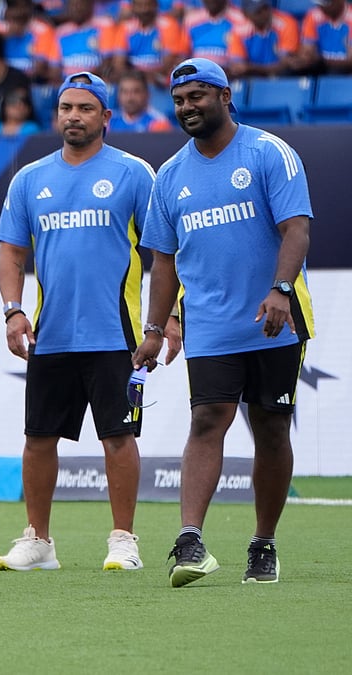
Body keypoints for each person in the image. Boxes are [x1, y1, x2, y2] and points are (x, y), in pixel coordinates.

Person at [132, 58, 314, 587]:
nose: (187, 106)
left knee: (271, 428)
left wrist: (280, 291)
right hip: (208, 324)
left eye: (197, 96)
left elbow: (296, 229)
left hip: (273, 320)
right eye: (180, 99)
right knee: (207, 420)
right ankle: (191, 540)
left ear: (225, 96)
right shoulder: (169, 176)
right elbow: (162, 261)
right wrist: (154, 327)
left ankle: (264, 544)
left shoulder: (267, 152)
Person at [0, 72, 155, 573]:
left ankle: (123, 541)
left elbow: (166, 252)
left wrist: (167, 318)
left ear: (106, 117)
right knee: (38, 437)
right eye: (65, 107)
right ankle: (38, 542)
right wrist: (13, 310)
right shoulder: (30, 179)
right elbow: (12, 252)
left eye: (85, 108)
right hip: (52, 333)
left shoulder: (134, 174)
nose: (73, 116)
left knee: (118, 437)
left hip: (116, 335)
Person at [229, 0, 305, 79]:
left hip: (282, 78)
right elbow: (238, 67)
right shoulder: (239, 30)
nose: (264, 13)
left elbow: (285, 65)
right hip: (252, 80)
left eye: (265, 8)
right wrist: (247, 68)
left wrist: (251, 68)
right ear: (246, 14)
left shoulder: (286, 23)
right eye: (257, 11)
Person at [299, 0, 352, 74]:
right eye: (319, 4)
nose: (321, 7)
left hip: (344, 70)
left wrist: (321, 61)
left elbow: (350, 60)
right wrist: (305, 58)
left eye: (326, 3)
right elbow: (307, 49)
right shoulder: (313, 15)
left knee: (335, 72)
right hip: (322, 65)